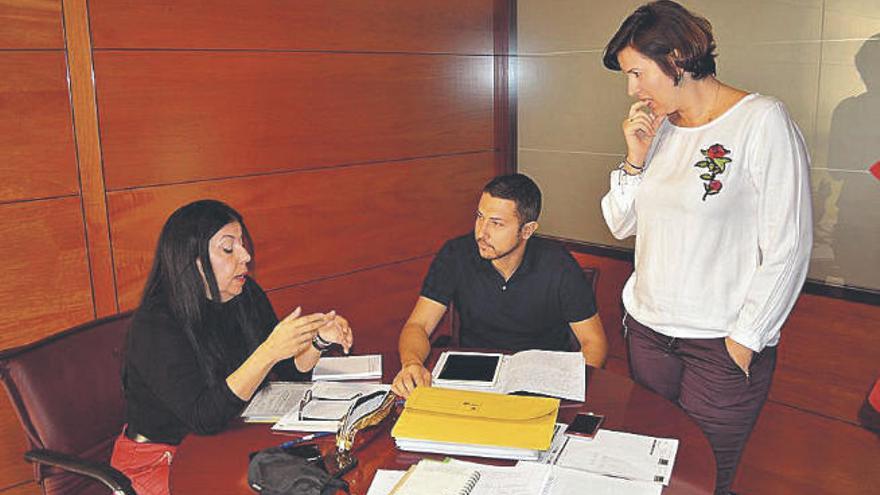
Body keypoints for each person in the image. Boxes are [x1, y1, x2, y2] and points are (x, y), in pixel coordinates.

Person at [600, 2, 812, 494]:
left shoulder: (760, 121)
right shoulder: (660, 129)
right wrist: (634, 158)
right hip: (649, 335)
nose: (632, 89)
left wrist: (745, 341)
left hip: (719, 347)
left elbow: (790, 245)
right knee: (651, 472)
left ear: (675, 57)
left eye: (637, 72)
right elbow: (619, 223)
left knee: (701, 482)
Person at [110, 199, 353, 495]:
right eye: (229, 249)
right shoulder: (156, 325)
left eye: (242, 244)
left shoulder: (245, 293)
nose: (246, 256)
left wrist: (319, 341)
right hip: (161, 459)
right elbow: (203, 417)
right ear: (193, 260)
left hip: (223, 440)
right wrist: (267, 352)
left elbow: (288, 369)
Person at [391, 173, 607, 398]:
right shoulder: (456, 254)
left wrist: (569, 389)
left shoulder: (558, 264)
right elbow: (418, 326)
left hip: (539, 380)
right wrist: (411, 364)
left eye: (496, 223)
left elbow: (594, 342)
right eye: (479, 217)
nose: (481, 233)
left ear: (527, 230)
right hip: (473, 377)